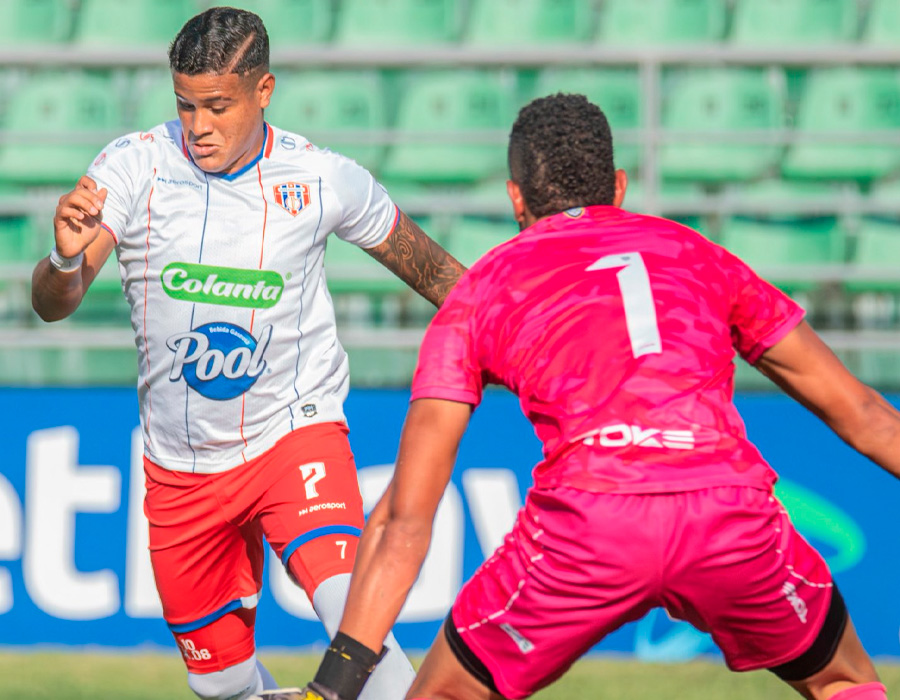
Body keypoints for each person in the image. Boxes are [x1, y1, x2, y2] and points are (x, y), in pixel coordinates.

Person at [263, 93, 900, 700]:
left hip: (589, 524)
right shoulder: (702, 255)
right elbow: (865, 414)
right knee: (843, 681)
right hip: (724, 513)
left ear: (516, 198)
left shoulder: (481, 293)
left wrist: (336, 685)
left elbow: (406, 519)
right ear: (618, 186)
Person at [31, 7, 465, 700]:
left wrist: (533, 339)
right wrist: (61, 255)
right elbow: (55, 302)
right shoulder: (132, 166)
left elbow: (441, 276)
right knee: (223, 687)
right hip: (180, 468)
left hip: (292, 437)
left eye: (217, 105)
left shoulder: (323, 179)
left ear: (263, 92)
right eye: (185, 104)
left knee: (351, 612)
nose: (197, 124)